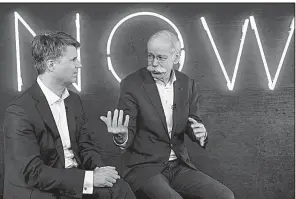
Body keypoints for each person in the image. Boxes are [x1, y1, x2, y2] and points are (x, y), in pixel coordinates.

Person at [100, 30, 235, 199]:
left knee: (224, 195)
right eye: (150, 56)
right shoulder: (132, 84)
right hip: (144, 167)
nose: (154, 63)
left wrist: (200, 132)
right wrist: (121, 137)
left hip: (179, 166)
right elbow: (129, 128)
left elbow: (193, 121)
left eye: (161, 57)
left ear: (176, 58)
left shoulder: (187, 84)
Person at [3, 31, 136, 199]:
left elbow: (85, 146)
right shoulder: (20, 111)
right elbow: (33, 173)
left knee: (120, 189)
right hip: (40, 190)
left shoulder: (73, 100)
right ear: (51, 65)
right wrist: (90, 178)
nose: (79, 65)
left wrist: (100, 170)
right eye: (73, 60)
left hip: (73, 181)